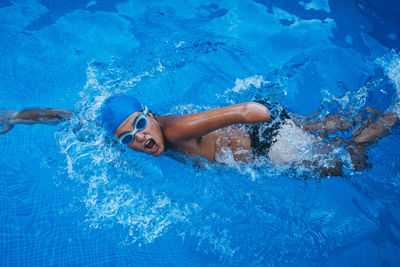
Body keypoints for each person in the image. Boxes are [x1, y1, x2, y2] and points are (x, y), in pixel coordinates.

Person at [0, 94, 398, 176]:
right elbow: (71, 118)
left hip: (264, 139)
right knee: (326, 124)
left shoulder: (174, 129)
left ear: (150, 115)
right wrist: (17, 116)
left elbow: (248, 111)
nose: (137, 139)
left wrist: (268, 122)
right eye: (126, 138)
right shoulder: (130, 134)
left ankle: (394, 114)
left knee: (347, 160)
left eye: (140, 125)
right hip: (254, 132)